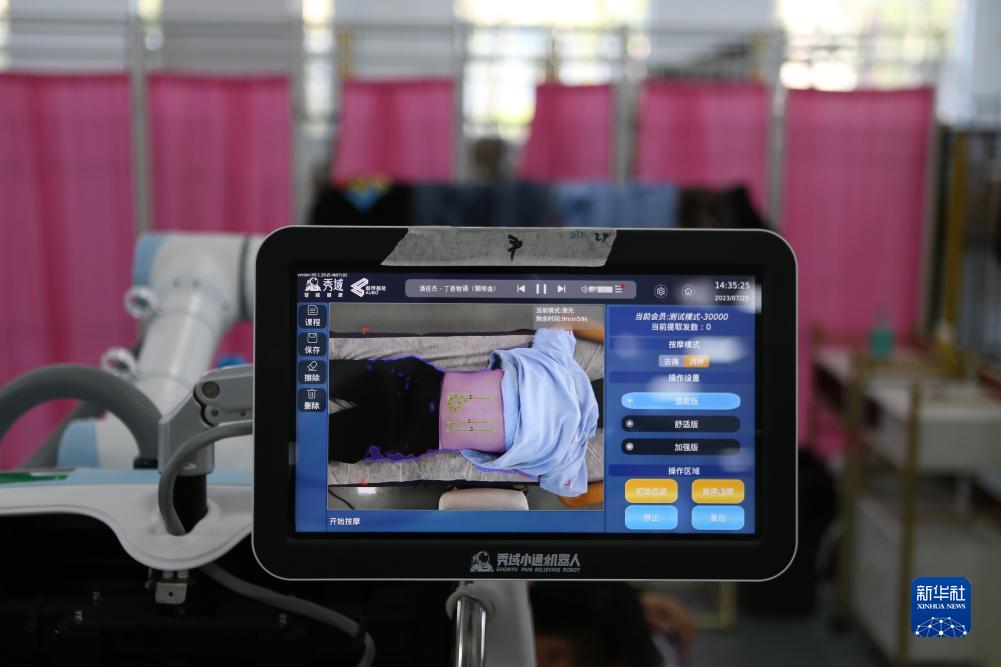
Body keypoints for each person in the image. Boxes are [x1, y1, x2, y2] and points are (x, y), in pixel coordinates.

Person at [327, 328, 601, 497]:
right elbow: (573, 496)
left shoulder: (560, 362)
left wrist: (610, 335)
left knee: (329, 385)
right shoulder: (568, 458)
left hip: (418, 390)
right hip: (419, 427)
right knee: (331, 434)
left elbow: (563, 323)